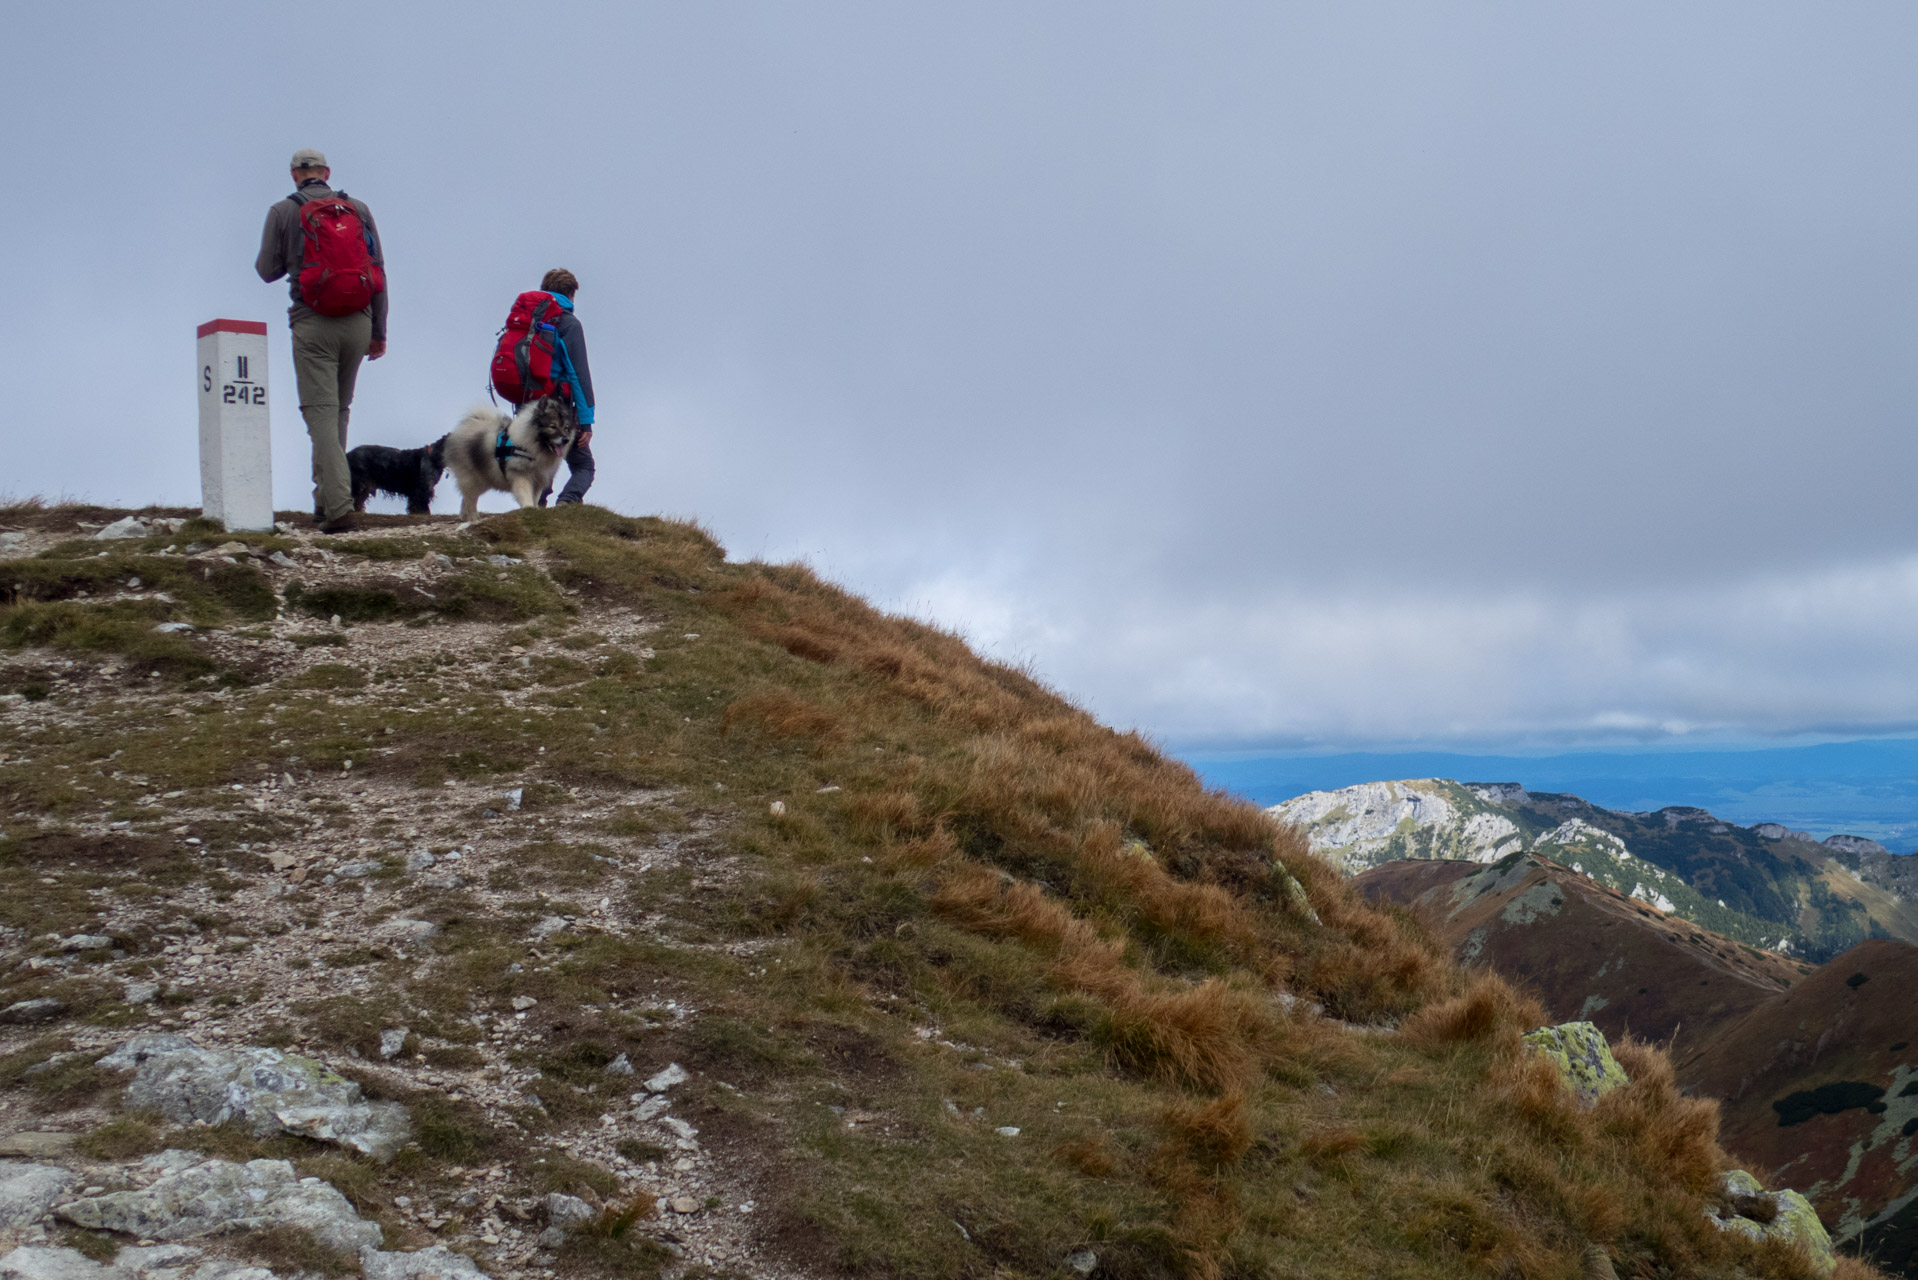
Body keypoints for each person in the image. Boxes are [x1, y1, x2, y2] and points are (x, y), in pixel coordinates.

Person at [255, 148, 388, 533]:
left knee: (320, 416)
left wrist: (294, 259)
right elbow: (378, 271)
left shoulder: (283, 211)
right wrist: (379, 331)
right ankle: (324, 501)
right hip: (359, 321)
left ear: (295, 175)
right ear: (327, 173)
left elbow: (266, 271)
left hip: (313, 323)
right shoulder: (358, 209)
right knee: (339, 411)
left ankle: (340, 509)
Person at [532, 268, 596, 505]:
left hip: (527, 404)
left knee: (541, 457)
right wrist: (586, 422)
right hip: (558, 406)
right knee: (583, 465)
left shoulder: (529, 319)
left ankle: (534, 509)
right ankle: (567, 502)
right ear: (570, 294)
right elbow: (579, 374)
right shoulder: (568, 323)